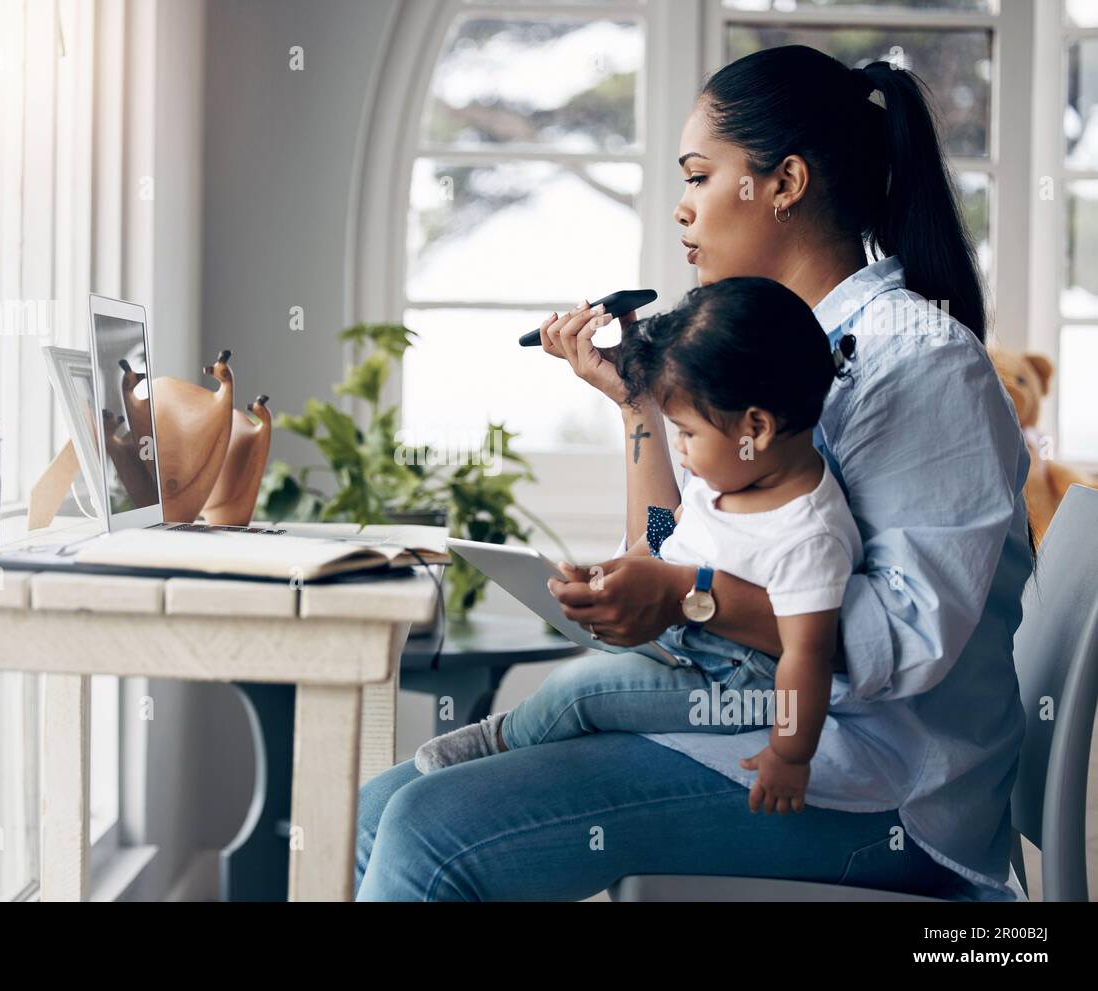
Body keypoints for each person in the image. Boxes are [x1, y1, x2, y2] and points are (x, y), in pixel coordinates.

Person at [355, 45, 1031, 902]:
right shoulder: (763, 357)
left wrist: (686, 598)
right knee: (381, 803)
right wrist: (638, 412)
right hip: (753, 716)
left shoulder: (921, 362)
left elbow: (903, 641)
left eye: (699, 176)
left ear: (783, 183)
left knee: (426, 831)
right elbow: (671, 549)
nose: (680, 210)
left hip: (884, 791)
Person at [414, 278, 863, 819]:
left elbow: (808, 657)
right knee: (590, 655)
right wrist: (619, 573)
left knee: (580, 690)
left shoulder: (808, 532)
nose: (679, 448)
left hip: (736, 680)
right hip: (690, 644)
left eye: (687, 434)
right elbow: (662, 539)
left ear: (757, 428)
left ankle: (498, 743)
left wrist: (790, 756)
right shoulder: (737, 477)